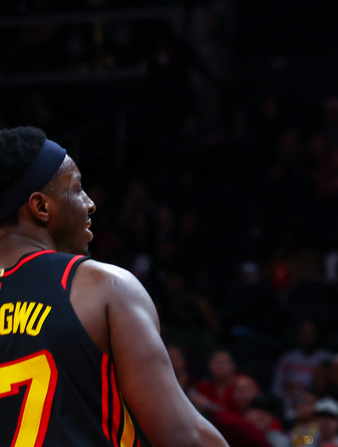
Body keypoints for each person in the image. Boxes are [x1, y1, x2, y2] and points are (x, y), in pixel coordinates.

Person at [0, 126, 227, 446]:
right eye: (77, 189)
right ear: (41, 207)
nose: (90, 204)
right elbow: (184, 436)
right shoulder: (102, 286)